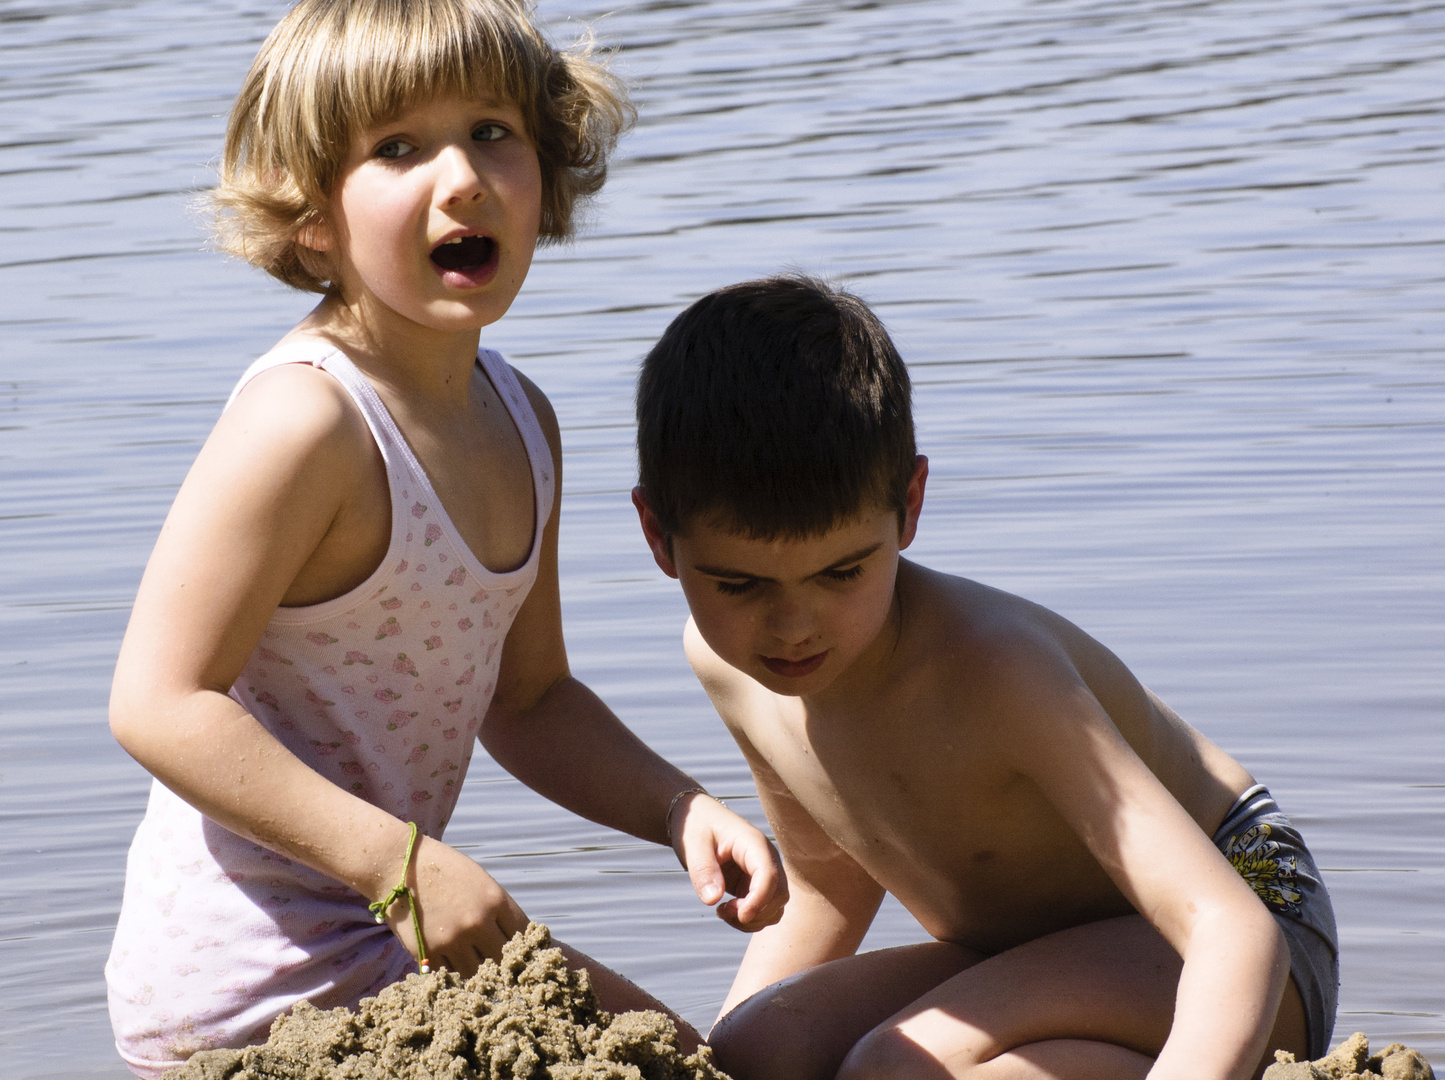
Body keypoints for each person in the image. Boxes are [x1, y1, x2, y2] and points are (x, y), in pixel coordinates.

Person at [103, 3, 784, 1076]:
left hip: (398, 933)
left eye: (492, 133)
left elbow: (531, 700)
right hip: (244, 992)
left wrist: (677, 807)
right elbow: (156, 702)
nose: (460, 177)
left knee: (694, 1062)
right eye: (398, 148)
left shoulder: (523, 423)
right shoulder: (307, 422)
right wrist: (400, 865)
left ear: (546, 177)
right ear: (312, 215)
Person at [631, 275, 1338, 1080]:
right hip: (1030, 954)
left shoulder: (996, 669)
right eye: (740, 585)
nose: (793, 626)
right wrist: (725, 1063)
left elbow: (1228, 929)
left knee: (889, 1069)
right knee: (761, 1051)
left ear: (909, 505)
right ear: (659, 535)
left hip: (1250, 925)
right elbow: (830, 884)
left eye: (842, 572)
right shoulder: (723, 663)